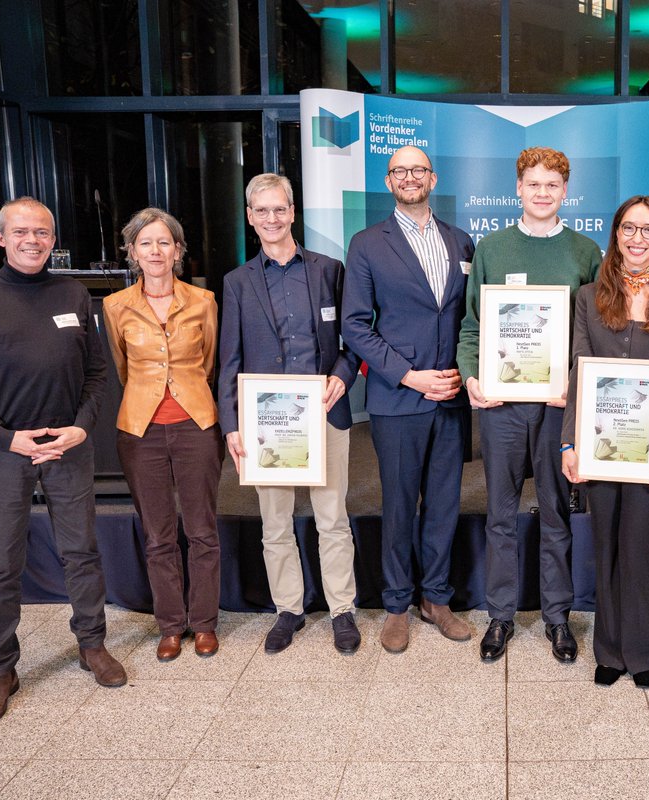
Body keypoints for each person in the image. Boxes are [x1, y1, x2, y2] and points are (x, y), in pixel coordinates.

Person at [0, 197, 127, 727]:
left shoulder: (72, 292)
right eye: (20, 231)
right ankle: (0, 669)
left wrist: (81, 426)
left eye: (42, 232)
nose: (32, 240)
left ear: (53, 238)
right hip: (2, 451)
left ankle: (92, 644)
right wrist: (5, 437)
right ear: (1, 238)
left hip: (67, 444)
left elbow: (96, 374)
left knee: (81, 551)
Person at [457, 146, 601, 663]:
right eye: (533, 184)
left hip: (558, 402)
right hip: (503, 404)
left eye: (552, 185)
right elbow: (472, 324)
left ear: (566, 191)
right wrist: (473, 376)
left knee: (557, 511)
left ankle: (557, 616)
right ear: (517, 188)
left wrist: (577, 384)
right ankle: (500, 615)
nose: (542, 193)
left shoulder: (586, 253)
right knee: (499, 510)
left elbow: (593, 334)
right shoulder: (493, 249)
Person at [219, 174, 363, 655]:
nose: (272, 218)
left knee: (332, 518)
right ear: (250, 217)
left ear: (293, 212)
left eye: (280, 209)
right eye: (262, 211)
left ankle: (342, 609)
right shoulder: (237, 282)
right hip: (268, 423)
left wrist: (344, 375)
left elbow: (352, 340)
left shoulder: (329, 270)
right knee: (275, 523)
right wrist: (232, 424)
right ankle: (289, 609)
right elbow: (231, 359)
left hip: (323, 411)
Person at [342, 146, 475, 653]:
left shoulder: (460, 241)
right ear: (390, 180)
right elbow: (356, 326)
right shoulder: (368, 244)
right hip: (399, 399)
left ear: (432, 178)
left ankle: (436, 599)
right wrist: (410, 376)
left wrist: (464, 373)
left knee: (444, 503)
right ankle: (397, 603)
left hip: (451, 399)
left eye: (419, 170)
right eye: (401, 171)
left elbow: (471, 319)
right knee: (398, 504)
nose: (411, 177)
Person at [561, 196, 649, 689]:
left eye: (648, 231)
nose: (637, 239)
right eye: (628, 229)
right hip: (597, 445)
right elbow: (578, 370)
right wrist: (567, 443)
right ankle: (609, 649)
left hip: (648, 448)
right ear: (615, 235)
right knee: (605, 544)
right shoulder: (589, 296)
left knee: (638, 548)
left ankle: (641, 650)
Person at [102, 208, 224, 662]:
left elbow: (208, 363)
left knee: (202, 530)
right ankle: (171, 626)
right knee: (158, 535)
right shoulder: (114, 306)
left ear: (178, 250)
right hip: (139, 430)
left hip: (195, 425)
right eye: (145, 243)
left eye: (164, 242)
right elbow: (121, 366)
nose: (156, 251)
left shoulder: (204, 300)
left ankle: (205, 623)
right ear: (132, 251)